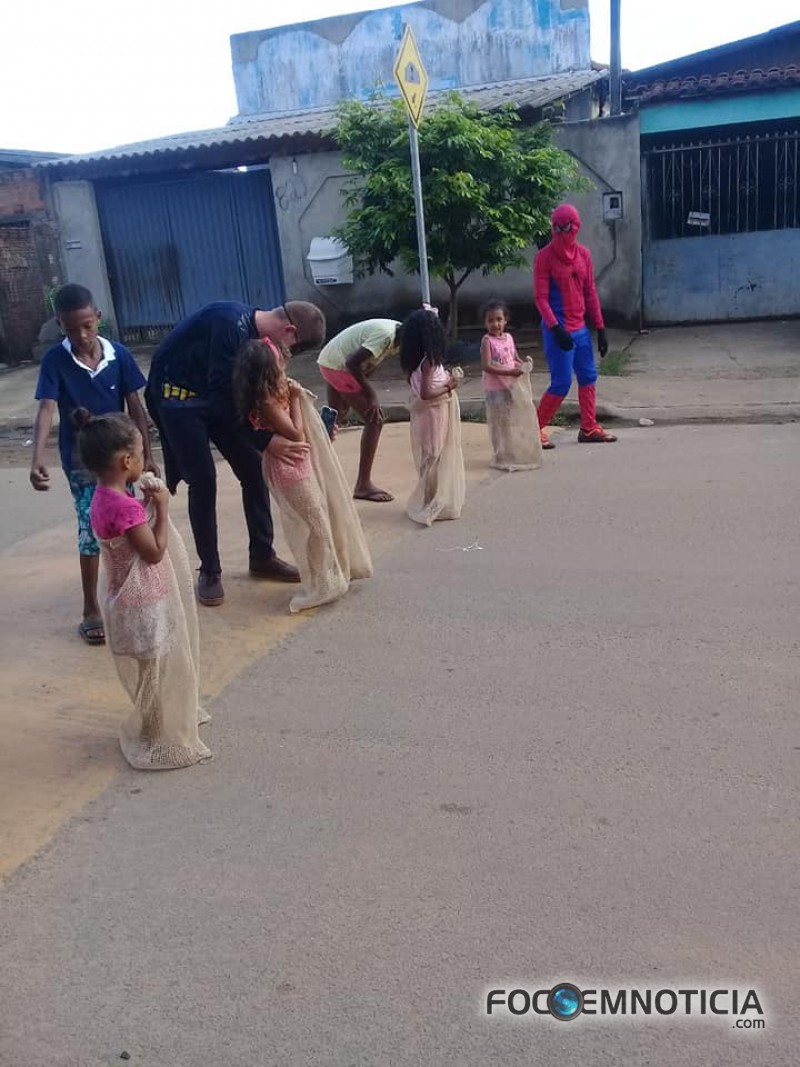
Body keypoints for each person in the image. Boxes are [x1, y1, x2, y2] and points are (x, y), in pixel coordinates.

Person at [145, 300, 326, 607]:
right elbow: (223, 399)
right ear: (289, 330)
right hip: (179, 401)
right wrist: (266, 440)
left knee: (252, 470)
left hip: (215, 401)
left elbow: (234, 396)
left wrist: (269, 434)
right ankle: (210, 571)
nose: (288, 352)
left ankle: (262, 556)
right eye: (293, 345)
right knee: (203, 480)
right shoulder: (229, 325)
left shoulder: (253, 336)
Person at [73, 408, 211, 770]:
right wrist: (162, 509)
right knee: (154, 673)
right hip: (144, 602)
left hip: (121, 599)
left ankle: (154, 728)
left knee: (149, 671)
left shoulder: (102, 499)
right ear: (126, 460)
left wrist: (144, 506)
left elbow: (127, 529)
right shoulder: (124, 507)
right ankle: (153, 740)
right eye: (140, 453)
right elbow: (153, 552)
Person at [30, 283, 157, 645]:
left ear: (98, 318)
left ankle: (131, 592)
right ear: (61, 326)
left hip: (123, 458)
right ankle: (90, 608)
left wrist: (147, 455)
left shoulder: (118, 355)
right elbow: (46, 408)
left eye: (87, 325)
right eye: (72, 329)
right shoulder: (56, 359)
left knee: (127, 524)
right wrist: (37, 458)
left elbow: (136, 406)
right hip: (83, 461)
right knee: (91, 530)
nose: (82, 335)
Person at [233, 339, 372, 613]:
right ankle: (319, 583)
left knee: (319, 520)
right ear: (266, 373)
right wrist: (296, 399)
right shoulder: (268, 400)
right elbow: (296, 433)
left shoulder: (277, 391)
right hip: (288, 470)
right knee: (316, 525)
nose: (285, 372)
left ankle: (326, 576)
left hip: (299, 464)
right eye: (280, 366)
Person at [533, 204, 617, 448]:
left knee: (589, 376)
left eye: (566, 226)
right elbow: (541, 298)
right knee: (561, 382)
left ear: (576, 226)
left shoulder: (584, 256)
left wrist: (600, 328)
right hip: (558, 331)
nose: (561, 231)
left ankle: (589, 427)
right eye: (557, 226)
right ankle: (534, 428)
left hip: (580, 329)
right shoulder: (544, 257)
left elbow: (590, 292)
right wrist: (554, 327)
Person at [317, 318, 402, 502]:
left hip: (330, 360)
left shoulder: (396, 331)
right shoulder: (386, 335)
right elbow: (352, 363)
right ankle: (363, 485)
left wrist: (354, 390)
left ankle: (309, 474)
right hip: (339, 365)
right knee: (375, 419)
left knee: (334, 418)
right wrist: (370, 395)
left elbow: (367, 362)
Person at [399, 308, 465, 526]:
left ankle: (430, 496)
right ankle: (431, 498)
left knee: (430, 454)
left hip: (426, 413)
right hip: (434, 411)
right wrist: (450, 385)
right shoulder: (429, 361)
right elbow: (427, 393)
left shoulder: (415, 361)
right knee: (434, 454)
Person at [480, 300, 543, 471]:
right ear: (485, 323)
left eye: (499, 319)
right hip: (495, 387)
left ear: (506, 320)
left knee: (507, 419)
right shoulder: (487, 341)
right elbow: (487, 366)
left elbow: (514, 358)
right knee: (497, 420)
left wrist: (523, 366)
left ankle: (508, 449)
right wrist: (509, 372)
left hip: (509, 386)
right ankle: (499, 452)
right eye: (491, 320)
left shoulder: (509, 338)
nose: (495, 324)